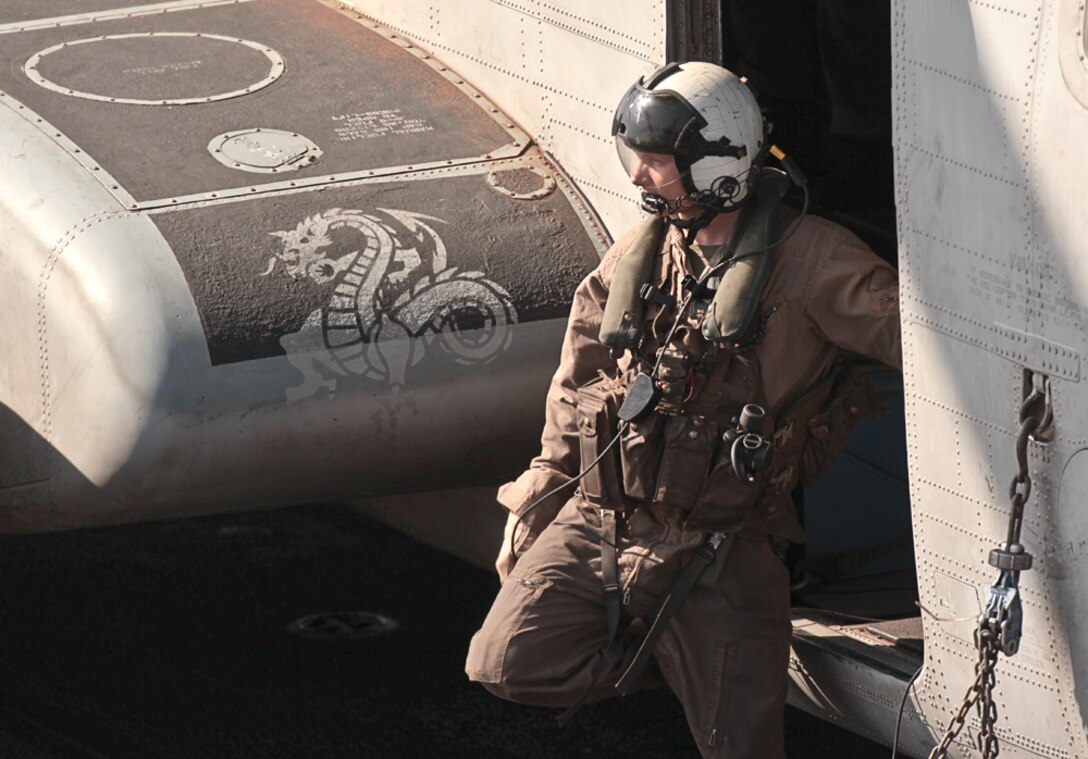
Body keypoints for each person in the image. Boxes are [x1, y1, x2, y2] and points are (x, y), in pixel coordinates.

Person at [465, 61, 901, 758]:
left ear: (716, 165)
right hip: (608, 518)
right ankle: (669, 656)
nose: (638, 176)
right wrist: (539, 496)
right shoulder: (645, 255)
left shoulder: (817, 262)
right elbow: (579, 379)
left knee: (741, 746)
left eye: (656, 162)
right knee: (504, 661)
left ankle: (695, 652)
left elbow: (921, 340)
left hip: (723, 544)